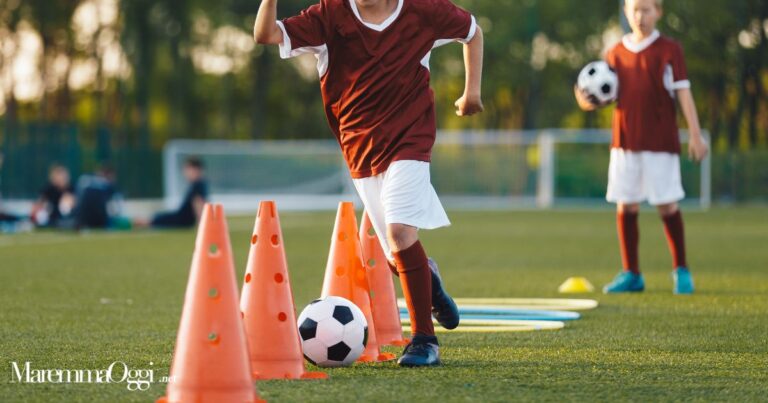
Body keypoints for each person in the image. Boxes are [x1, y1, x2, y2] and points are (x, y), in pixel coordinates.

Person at [253, 0, 484, 366]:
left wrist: (472, 92)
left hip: (412, 138)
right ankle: (431, 281)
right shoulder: (328, 16)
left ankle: (425, 340)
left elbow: (472, 31)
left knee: (399, 233)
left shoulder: (422, 10)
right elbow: (265, 34)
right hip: (359, 148)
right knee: (396, 256)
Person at [575, 0, 708, 295]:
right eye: (635, 9)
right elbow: (602, 96)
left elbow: (683, 94)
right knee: (626, 204)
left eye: (647, 9)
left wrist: (696, 135)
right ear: (626, 11)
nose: (640, 15)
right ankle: (632, 273)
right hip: (624, 142)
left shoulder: (670, 50)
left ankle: (681, 270)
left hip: (660, 142)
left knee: (666, 204)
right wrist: (586, 102)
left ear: (658, 12)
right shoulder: (615, 52)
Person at [146, 157, 208, 228]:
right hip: (181, 218)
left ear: (195, 169)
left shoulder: (198, 185)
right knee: (156, 217)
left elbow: (198, 204)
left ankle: (135, 223)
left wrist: (201, 224)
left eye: (187, 169)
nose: (185, 173)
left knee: (156, 219)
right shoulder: (198, 184)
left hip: (182, 220)